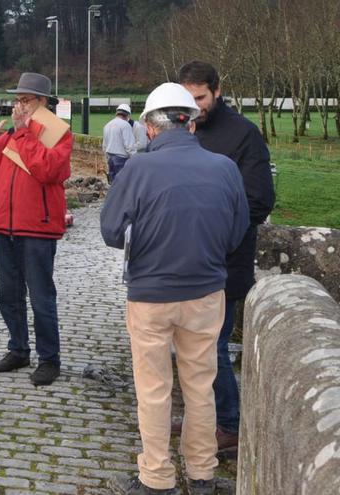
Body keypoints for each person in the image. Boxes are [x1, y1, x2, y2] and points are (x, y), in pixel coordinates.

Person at [101, 82, 249, 495]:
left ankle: (157, 477)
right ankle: (203, 474)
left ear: (150, 127)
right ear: (191, 124)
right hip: (205, 293)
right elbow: (236, 233)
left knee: (154, 389)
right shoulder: (225, 168)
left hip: (150, 294)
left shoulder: (138, 169)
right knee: (201, 386)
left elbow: (111, 231)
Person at [177, 61, 275, 453]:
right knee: (189, 347)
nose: (194, 107)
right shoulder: (182, 130)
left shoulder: (244, 136)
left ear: (217, 91)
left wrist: (211, 232)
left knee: (212, 347)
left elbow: (259, 201)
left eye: (200, 97)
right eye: (188, 99)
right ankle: (202, 419)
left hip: (224, 263)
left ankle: (230, 426)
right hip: (182, 261)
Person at [0, 72, 73, 386]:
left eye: (26, 100)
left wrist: (25, 135)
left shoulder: (57, 133)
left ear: (44, 102)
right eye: (18, 100)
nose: (20, 106)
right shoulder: (14, 135)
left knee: (41, 297)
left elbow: (48, 170)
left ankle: (49, 359)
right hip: (5, 226)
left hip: (37, 228)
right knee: (8, 295)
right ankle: (18, 349)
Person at [102, 103, 137, 183]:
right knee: (123, 184)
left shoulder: (107, 125)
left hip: (110, 158)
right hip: (122, 159)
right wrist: (135, 158)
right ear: (127, 115)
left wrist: (107, 158)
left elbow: (104, 145)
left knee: (113, 184)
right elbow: (129, 145)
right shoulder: (125, 125)